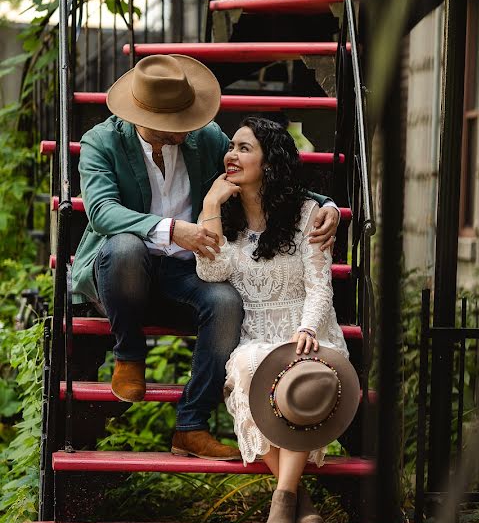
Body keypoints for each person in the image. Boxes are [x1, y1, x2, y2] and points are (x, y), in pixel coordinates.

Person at [71, 55, 342, 461]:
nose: (189, 126)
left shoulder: (204, 137)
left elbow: (266, 169)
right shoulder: (102, 142)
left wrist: (327, 205)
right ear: (145, 117)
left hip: (187, 270)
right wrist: (171, 229)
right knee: (125, 246)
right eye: (177, 121)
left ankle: (190, 426)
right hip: (123, 272)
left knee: (226, 302)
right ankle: (128, 354)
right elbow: (102, 211)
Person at [195, 117, 359, 523]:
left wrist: (306, 328)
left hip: (307, 328)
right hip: (256, 334)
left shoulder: (309, 214)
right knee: (249, 366)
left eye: (244, 148)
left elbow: (320, 287)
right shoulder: (225, 218)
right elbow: (211, 273)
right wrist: (211, 205)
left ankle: (283, 500)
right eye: (230, 147)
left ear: (270, 162)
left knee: (300, 376)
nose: (231, 155)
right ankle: (295, 499)